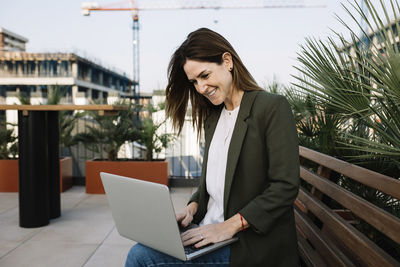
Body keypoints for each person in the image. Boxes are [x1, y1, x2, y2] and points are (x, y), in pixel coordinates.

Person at [125, 27, 300, 267]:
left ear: (227, 61)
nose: (201, 88)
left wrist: (228, 227)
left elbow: (285, 186)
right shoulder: (214, 118)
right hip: (211, 230)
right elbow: (213, 184)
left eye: (205, 75)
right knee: (147, 249)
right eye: (194, 81)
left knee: (141, 257)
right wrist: (193, 208)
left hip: (250, 244)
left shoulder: (271, 108)